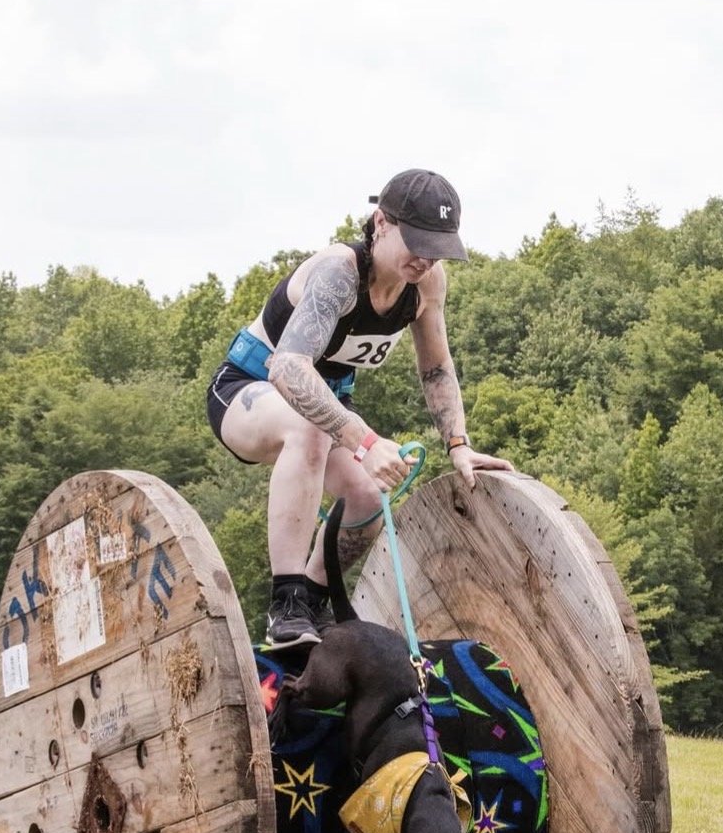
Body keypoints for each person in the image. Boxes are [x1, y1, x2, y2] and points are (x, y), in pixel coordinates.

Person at [206, 168, 513, 647]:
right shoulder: (339, 272)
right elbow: (287, 369)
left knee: (368, 499)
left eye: (438, 247)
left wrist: (459, 445)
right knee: (310, 429)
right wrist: (365, 441)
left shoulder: (428, 285)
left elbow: (436, 367)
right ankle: (284, 603)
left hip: (326, 410)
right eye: (417, 242)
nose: (426, 259)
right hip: (250, 391)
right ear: (382, 223)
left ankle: (311, 603)